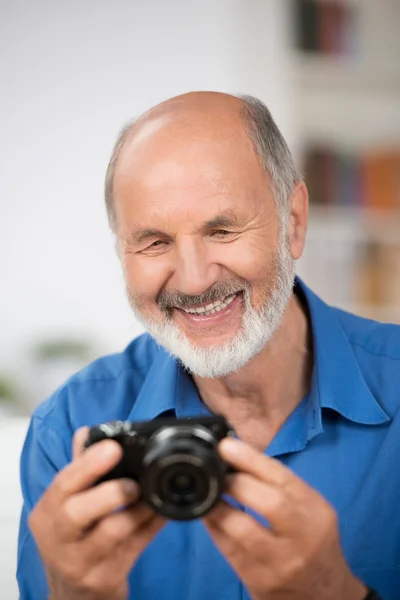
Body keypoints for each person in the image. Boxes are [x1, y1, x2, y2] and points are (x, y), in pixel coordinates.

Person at [17, 92, 399, 600]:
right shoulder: (65, 429)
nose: (194, 282)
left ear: (295, 222)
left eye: (222, 229)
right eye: (154, 242)